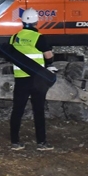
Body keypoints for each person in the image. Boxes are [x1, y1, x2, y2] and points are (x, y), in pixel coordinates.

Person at [9, 8, 56, 151]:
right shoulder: (39, 38)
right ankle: (41, 143)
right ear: (36, 22)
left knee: (17, 110)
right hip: (37, 80)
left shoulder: (14, 37)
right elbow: (49, 57)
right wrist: (50, 63)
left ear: (22, 21)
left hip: (21, 79)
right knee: (38, 110)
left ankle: (15, 142)